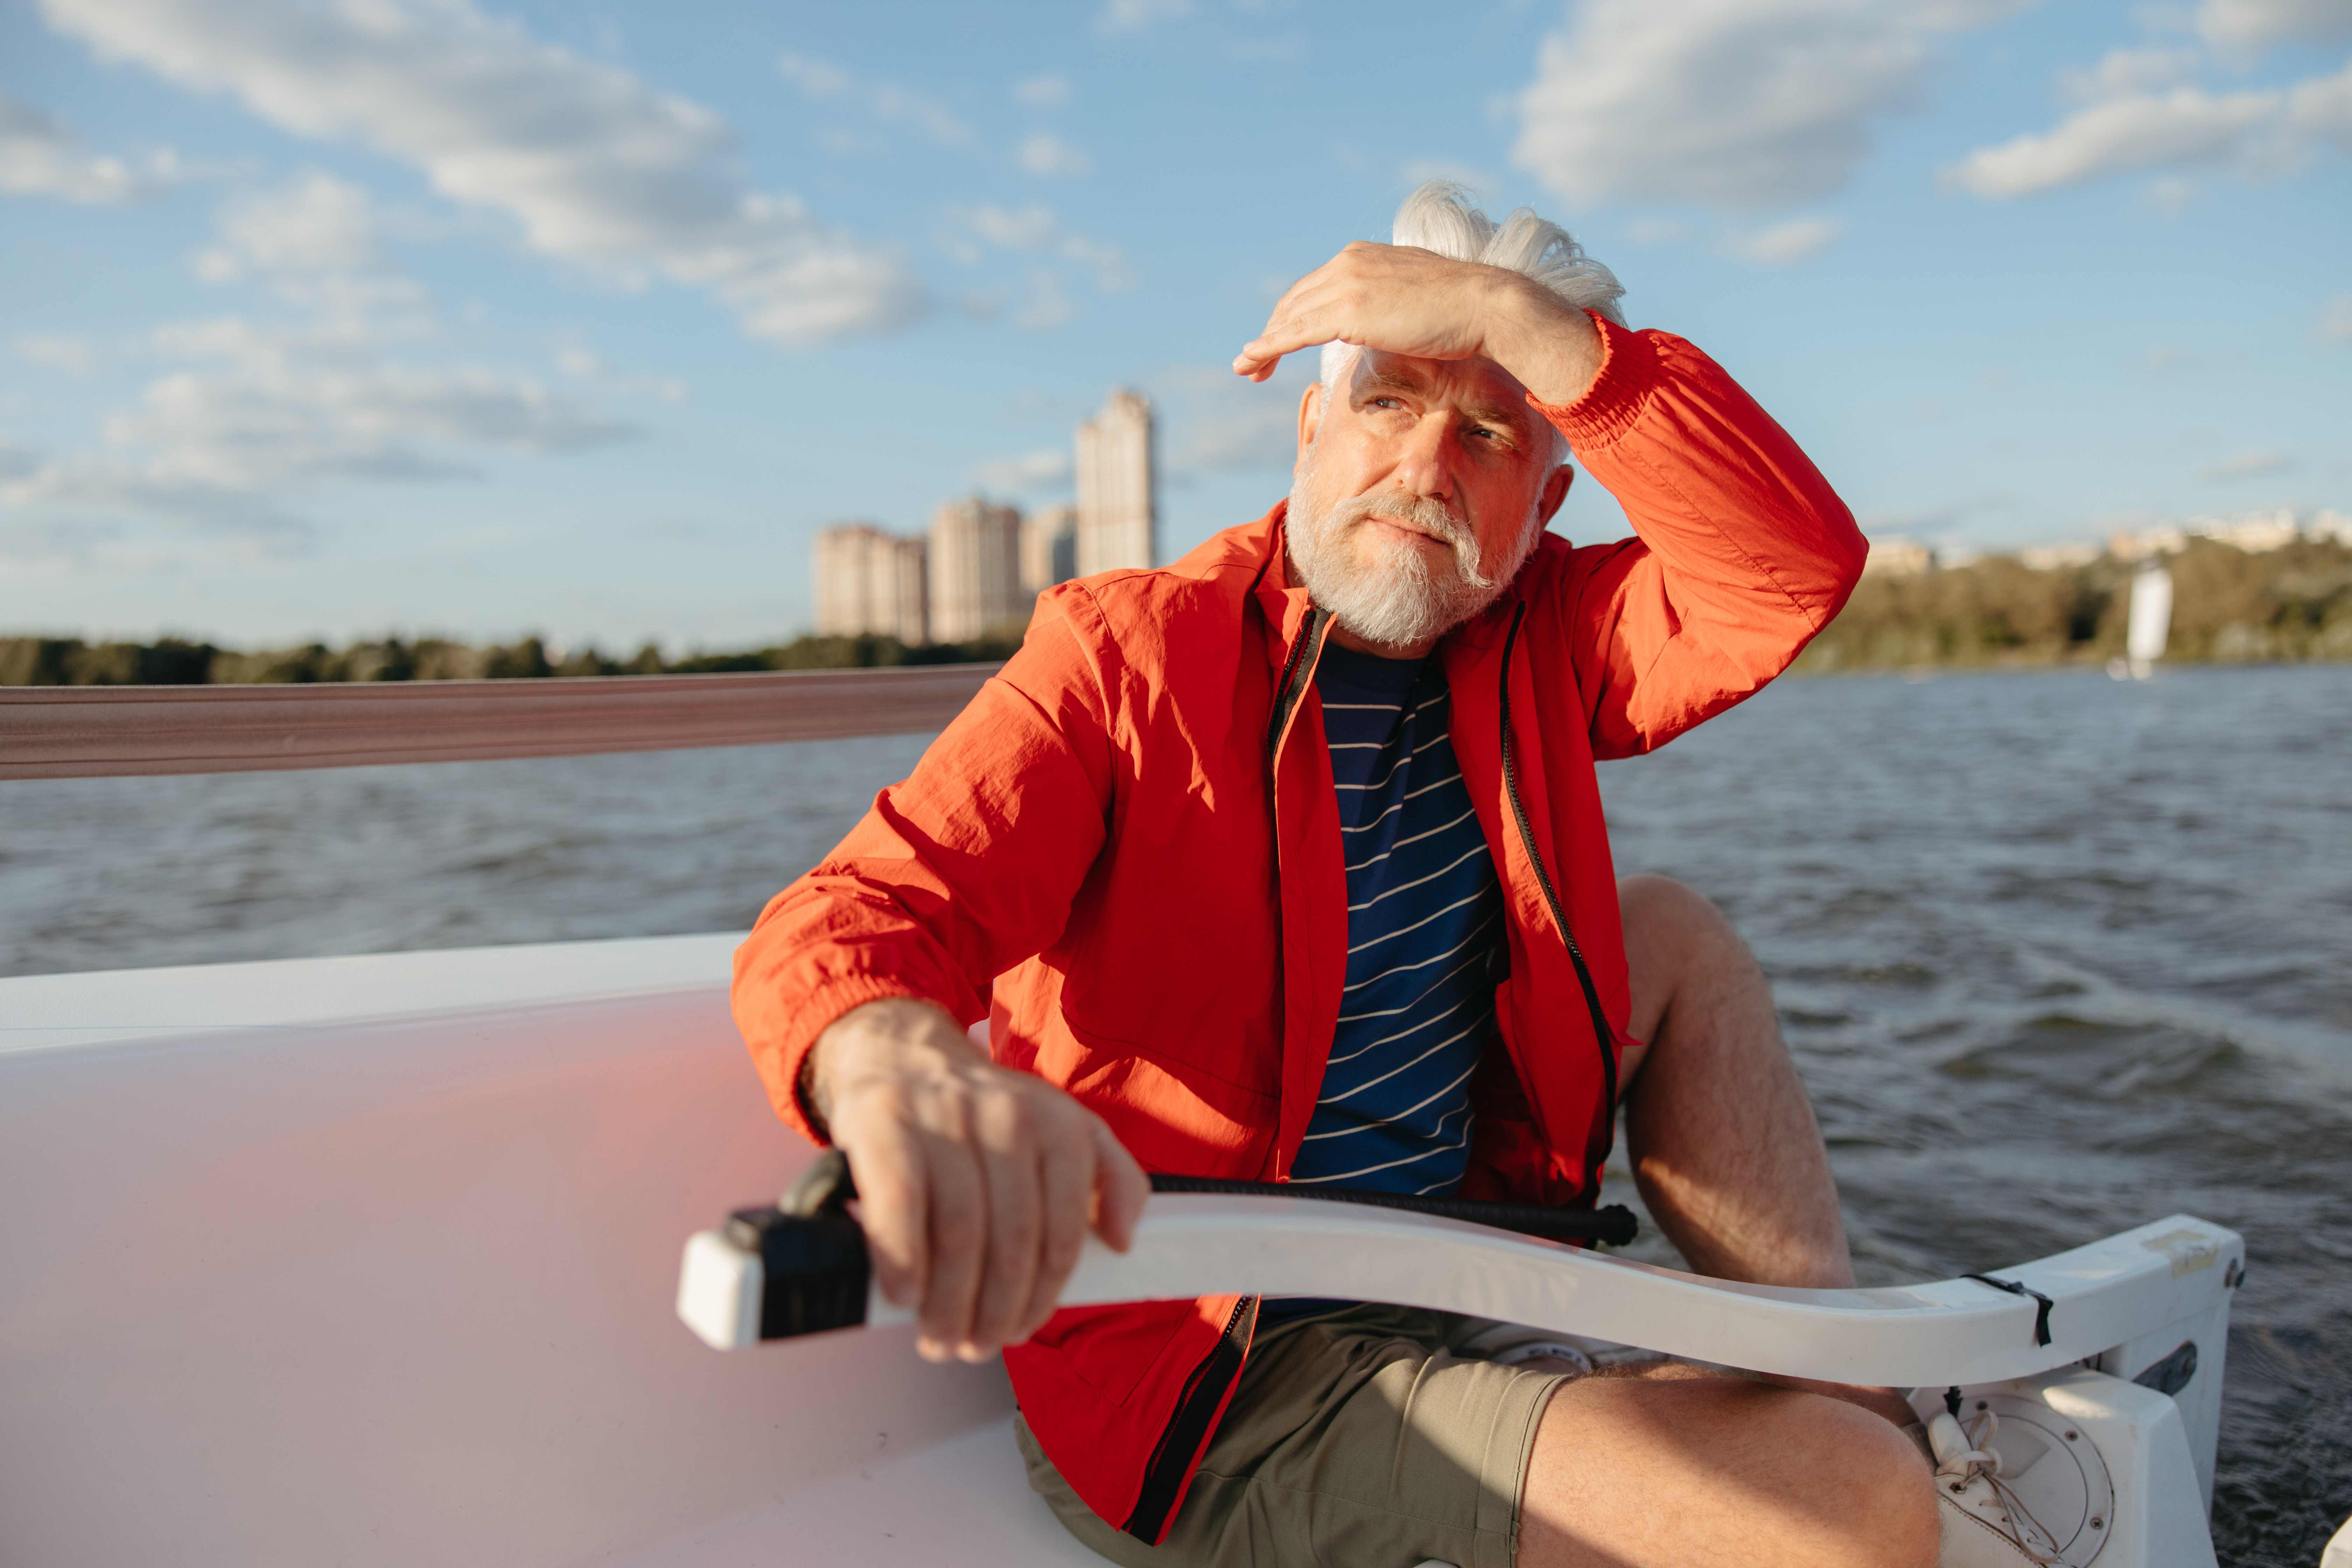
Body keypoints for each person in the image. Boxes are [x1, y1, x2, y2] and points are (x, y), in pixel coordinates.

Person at [733, 183, 1940, 1568]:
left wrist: (1518, 323)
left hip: (1469, 1267)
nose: (1429, 465)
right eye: (1388, 402)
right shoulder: (1127, 659)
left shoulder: (1542, 632)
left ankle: (1839, 1366)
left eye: (1489, 430)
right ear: (1310, 428)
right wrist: (899, 1068)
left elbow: (1784, 576)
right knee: (1851, 1507)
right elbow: (863, 914)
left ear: (1545, 504)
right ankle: (1838, 1432)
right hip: (1219, 1378)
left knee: (1672, 933)